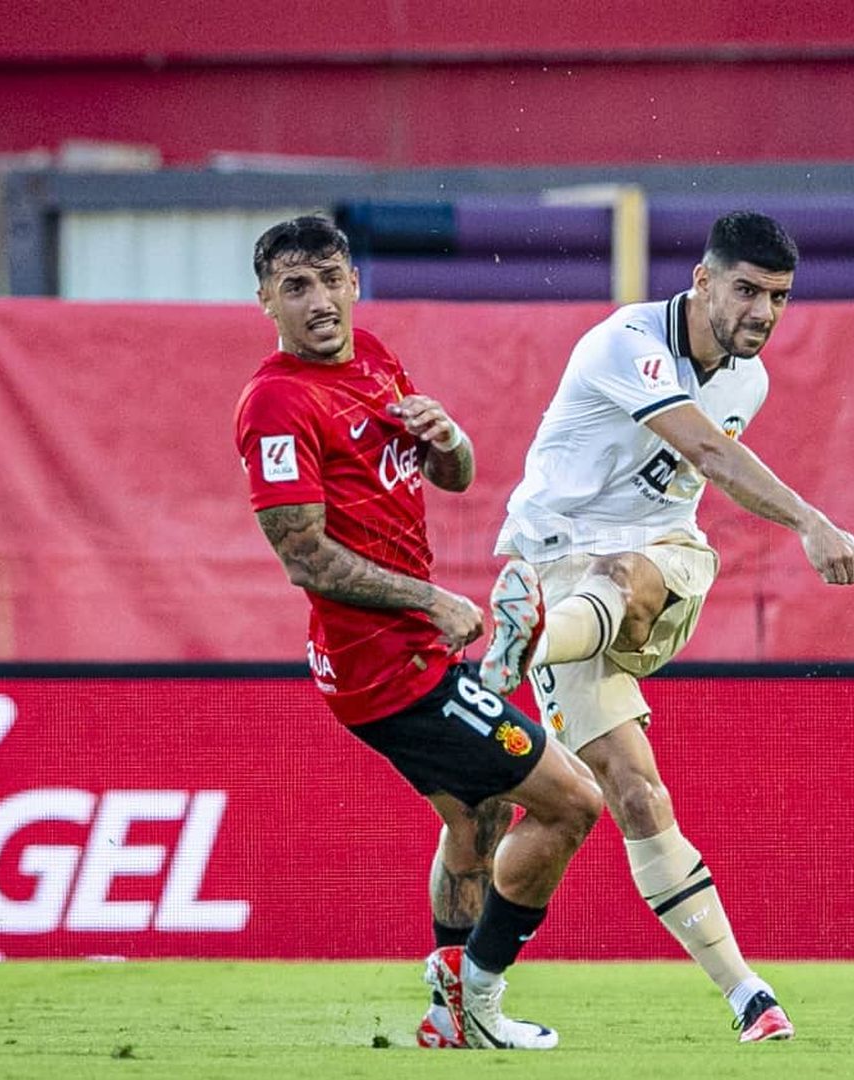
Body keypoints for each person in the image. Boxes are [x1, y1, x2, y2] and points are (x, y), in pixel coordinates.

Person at [478, 210, 854, 1043]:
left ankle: (520, 649)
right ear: (701, 281)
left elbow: (705, 470)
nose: (763, 313)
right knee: (632, 793)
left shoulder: (748, 382)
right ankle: (747, 996)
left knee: (631, 573)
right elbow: (714, 455)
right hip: (553, 562)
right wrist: (810, 522)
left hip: (663, 559)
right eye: (747, 291)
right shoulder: (625, 342)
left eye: (780, 298)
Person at [233, 214, 601, 1051]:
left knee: (477, 820)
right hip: (389, 672)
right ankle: (477, 999)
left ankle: (449, 1010)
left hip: (405, 657)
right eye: (296, 287)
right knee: (574, 804)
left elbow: (452, 477)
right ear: (265, 301)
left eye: (331, 280)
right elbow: (303, 557)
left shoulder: (374, 362)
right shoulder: (276, 403)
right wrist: (429, 602)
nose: (320, 301)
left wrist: (452, 442)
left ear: (354, 282)